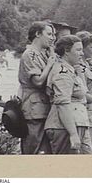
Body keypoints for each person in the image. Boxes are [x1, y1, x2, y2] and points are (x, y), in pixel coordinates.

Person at [44, 35, 92, 154]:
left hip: (78, 123)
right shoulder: (62, 73)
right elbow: (63, 104)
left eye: (82, 50)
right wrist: (73, 134)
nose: (82, 54)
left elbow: (83, 91)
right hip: (64, 127)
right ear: (66, 51)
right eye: (78, 50)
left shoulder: (71, 70)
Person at [18, 21, 56, 154]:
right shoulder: (30, 54)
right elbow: (38, 82)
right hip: (34, 110)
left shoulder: (43, 54)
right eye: (49, 34)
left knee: (45, 151)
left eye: (53, 35)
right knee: (33, 149)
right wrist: (50, 64)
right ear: (38, 34)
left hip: (43, 109)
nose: (52, 38)